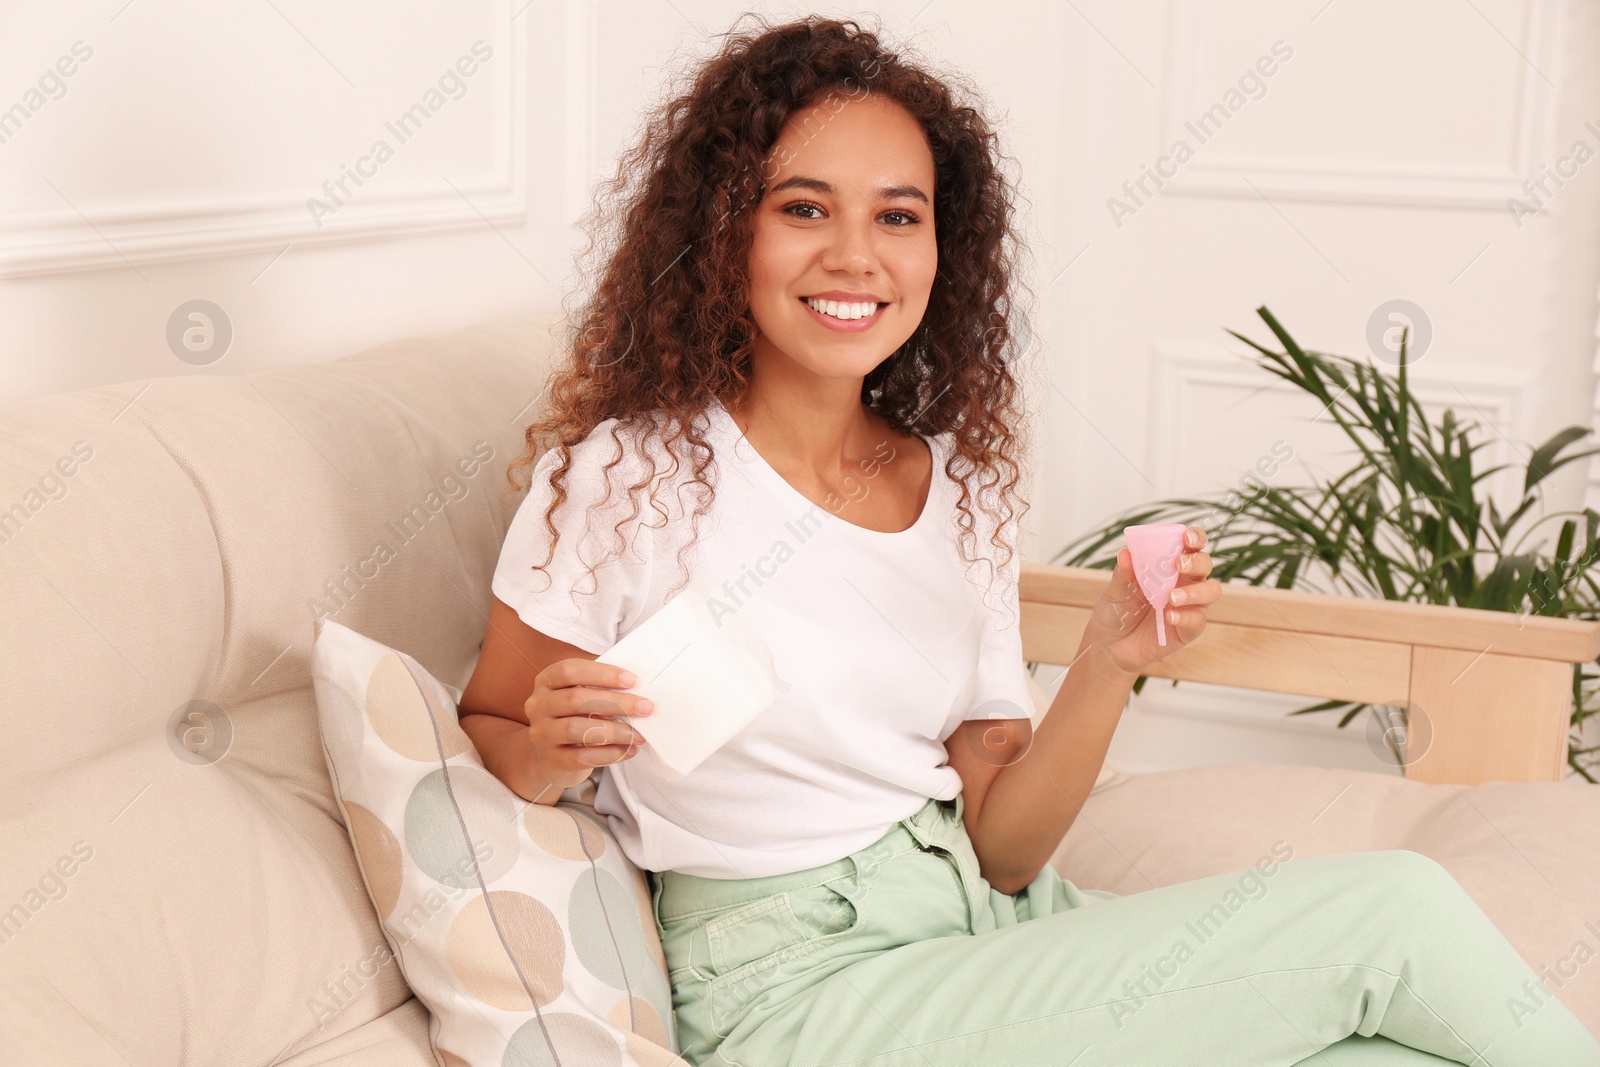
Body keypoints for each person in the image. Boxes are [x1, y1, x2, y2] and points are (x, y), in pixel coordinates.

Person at [457, 14, 1600, 1067]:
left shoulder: (957, 491)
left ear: (939, 251)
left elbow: (1006, 849)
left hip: (982, 912)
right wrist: (550, 753)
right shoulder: (631, 476)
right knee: (1393, 909)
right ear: (722, 234)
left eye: (897, 216)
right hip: (797, 983)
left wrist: (1106, 659)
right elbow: (495, 726)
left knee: (1383, 1052)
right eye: (803, 207)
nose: (856, 256)